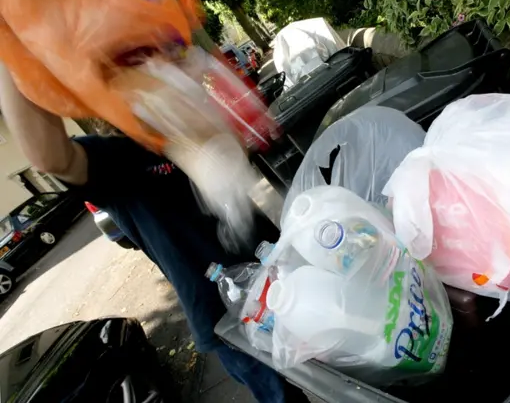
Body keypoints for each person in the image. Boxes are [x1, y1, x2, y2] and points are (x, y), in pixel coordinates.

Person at [0, 64, 307, 403]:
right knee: (283, 398)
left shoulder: (188, 127)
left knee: (350, 361)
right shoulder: (115, 161)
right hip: (229, 314)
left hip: (283, 274)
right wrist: (8, 53)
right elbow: (51, 156)